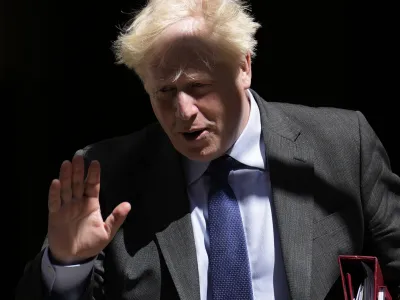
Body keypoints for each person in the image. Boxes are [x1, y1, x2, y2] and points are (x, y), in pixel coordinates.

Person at [15, 0, 400, 299]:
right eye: (164, 91)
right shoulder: (105, 176)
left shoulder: (345, 144)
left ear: (244, 67)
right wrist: (68, 264)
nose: (183, 112)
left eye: (199, 86)